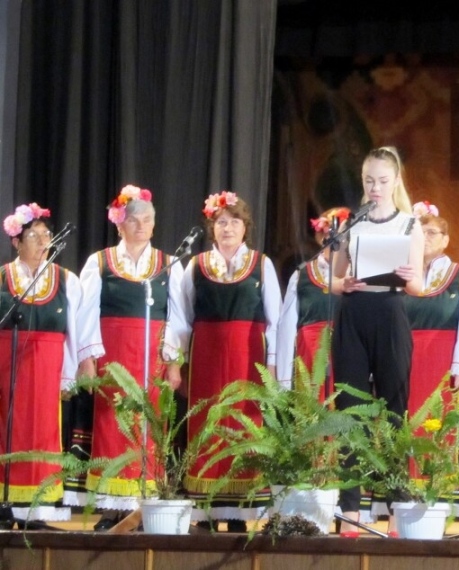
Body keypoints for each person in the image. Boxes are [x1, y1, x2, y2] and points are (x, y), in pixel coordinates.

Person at [73, 185, 187, 530]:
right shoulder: (100, 261)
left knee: (151, 427)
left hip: (152, 356)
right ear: (119, 224)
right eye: (133, 220)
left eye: (147, 220)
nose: (141, 226)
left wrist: (174, 362)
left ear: (154, 224)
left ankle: (144, 506)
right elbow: (85, 313)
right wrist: (87, 359)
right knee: (113, 425)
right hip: (113, 355)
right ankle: (112, 507)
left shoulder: (169, 264)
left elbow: (178, 316)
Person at [331, 146, 424, 537]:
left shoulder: (410, 224)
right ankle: (350, 510)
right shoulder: (352, 223)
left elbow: (418, 287)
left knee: (393, 408)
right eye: (369, 180)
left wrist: (407, 275)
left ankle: (395, 508)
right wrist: (345, 282)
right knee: (350, 408)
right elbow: (332, 282)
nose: (375, 188)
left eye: (383, 181)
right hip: (353, 314)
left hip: (389, 313)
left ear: (396, 181)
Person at [178, 191, 282, 532]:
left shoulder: (261, 265)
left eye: (234, 221)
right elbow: (181, 317)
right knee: (207, 423)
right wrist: (175, 362)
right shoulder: (195, 266)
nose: (227, 228)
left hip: (247, 357)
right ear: (212, 227)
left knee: (244, 423)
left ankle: (241, 512)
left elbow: (276, 318)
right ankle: (206, 510)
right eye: (221, 222)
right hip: (206, 357)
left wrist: (275, 366)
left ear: (245, 227)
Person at [389, 200, 459, 518]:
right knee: (404, 423)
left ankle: (439, 497)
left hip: (443, 363)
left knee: (439, 426)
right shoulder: (399, 275)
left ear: (445, 240)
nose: (425, 237)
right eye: (419, 231)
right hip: (405, 361)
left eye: (432, 232)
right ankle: (402, 494)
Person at [0, 203, 81, 529]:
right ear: (17, 242)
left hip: (48, 367)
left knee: (45, 433)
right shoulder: (3, 278)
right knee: (7, 432)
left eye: (46, 235)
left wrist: (70, 376)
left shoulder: (66, 280)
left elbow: (74, 333)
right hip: (8, 368)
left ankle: (40, 508)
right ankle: (6, 503)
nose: (42, 242)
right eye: (34, 236)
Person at [276, 206, 350, 391]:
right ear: (322, 238)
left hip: (348, 355)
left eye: (343, 239)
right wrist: (283, 381)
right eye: (329, 238)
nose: (336, 244)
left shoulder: (358, 274)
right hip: (309, 356)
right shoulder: (302, 275)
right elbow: (286, 327)